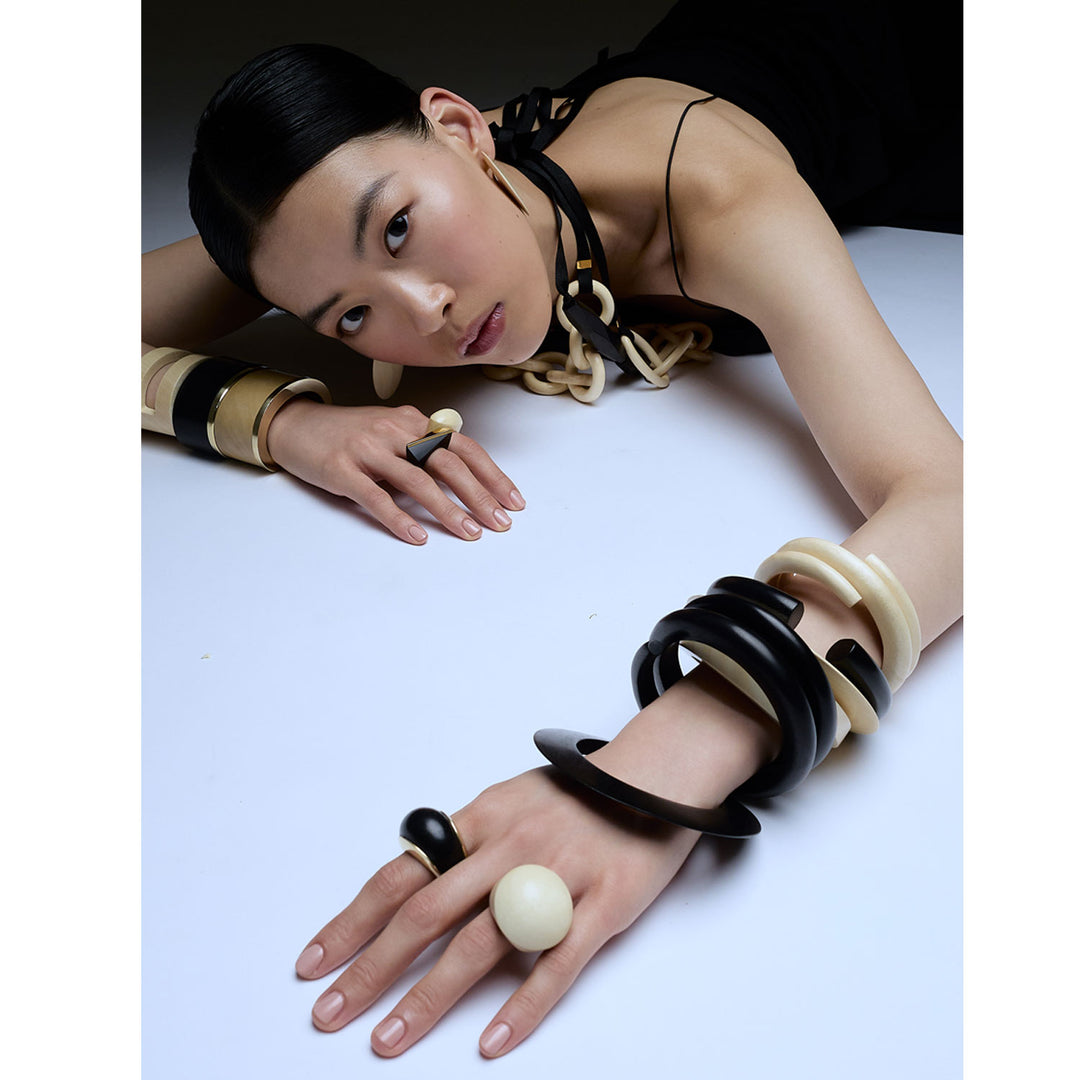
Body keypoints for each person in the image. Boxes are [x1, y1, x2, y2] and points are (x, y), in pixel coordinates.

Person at [141, 0, 962, 1059]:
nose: (423, 310)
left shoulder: (717, 188)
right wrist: (284, 422)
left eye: (399, 229)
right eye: (349, 316)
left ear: (461, 129)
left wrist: (656, 766)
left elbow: (955, 501)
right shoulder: (341, 200)